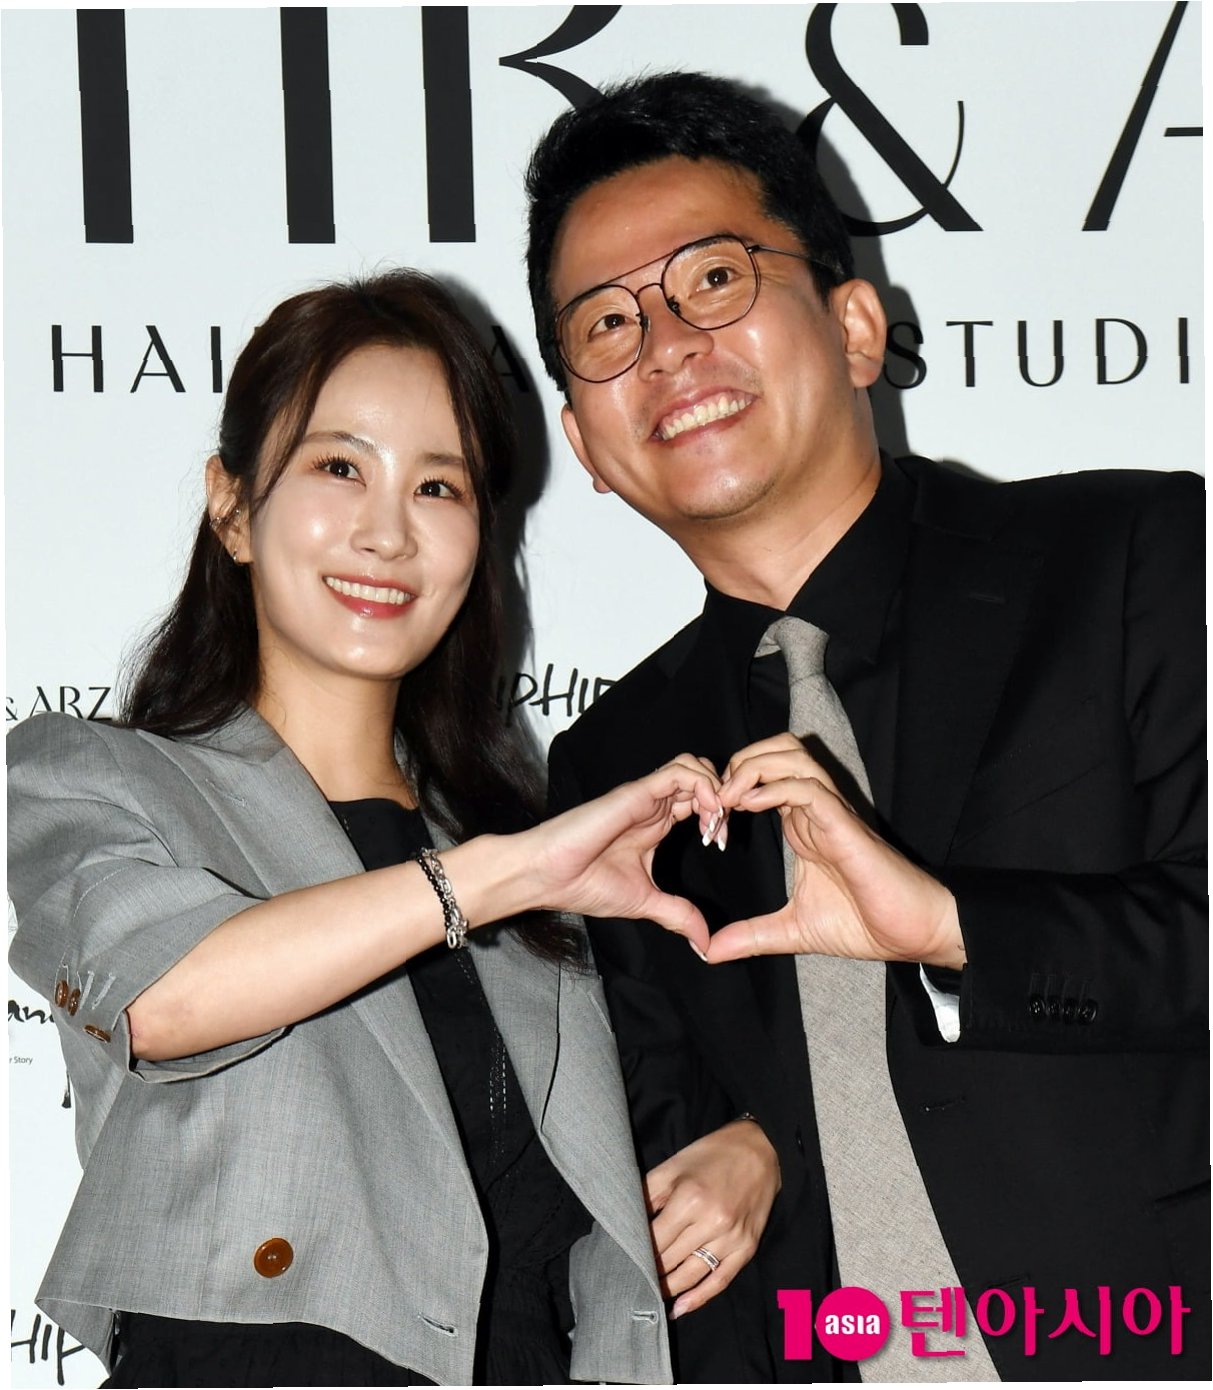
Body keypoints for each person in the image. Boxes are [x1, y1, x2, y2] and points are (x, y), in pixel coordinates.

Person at [525, 71, 1208, 1382]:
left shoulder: (1133, 556)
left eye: (713, 280)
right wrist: (751, 1142)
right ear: (585, 444)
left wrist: (952, 928)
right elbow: (667, 1141)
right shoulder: (609, 768)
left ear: (852, 326)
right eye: (607, 322)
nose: (665, 346)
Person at [7, 268, 731, 1388]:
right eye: (339, 467)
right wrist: (487, 880)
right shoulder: (100, 777)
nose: (387, 532)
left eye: (438, 486)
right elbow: (161, 999)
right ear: (232, 507)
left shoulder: (539, 848)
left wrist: (748, 1154)